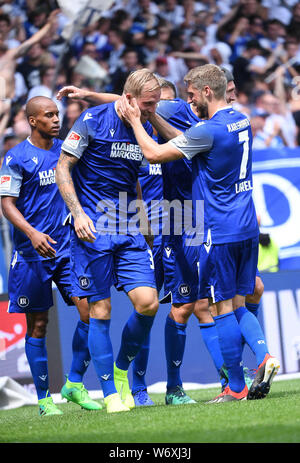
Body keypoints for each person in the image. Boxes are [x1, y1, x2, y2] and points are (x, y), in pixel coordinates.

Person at [119, 64, 280, 403]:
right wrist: (150, 116)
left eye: (191, 93)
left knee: (219, 307)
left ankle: (237, 384)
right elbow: (180, 137)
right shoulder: (242, 120)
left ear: (207, 91)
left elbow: (154, 152)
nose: (187, 100)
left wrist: (137, 120)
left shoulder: (208, 130)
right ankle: (262, 356)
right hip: (246, 224)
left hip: (216, 227)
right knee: (235, 301)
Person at [55, 69, 160, 414]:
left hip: (128, 227)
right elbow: (62, 167)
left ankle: (119, 369)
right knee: (101, 311)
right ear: (127, 99)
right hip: (92, 230)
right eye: (147, 104)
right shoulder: (91, 121)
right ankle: (110, 394)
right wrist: (78, 213)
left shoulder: (143, 127)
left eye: (155, 104)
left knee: (148, 303)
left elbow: (137, 184)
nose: (152, 110)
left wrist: (145, 227)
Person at [0, 96, 101, 416]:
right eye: (48, 115)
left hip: (68, 248)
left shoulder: (65, 151)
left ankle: (73, 382)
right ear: (33, 121)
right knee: (39, 323)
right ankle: (44, 400)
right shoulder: (16, 157)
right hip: (32, 253)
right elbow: (6, 203)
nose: (56, 120)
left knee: (91, 312)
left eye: (57, 114)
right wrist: (31, 233)